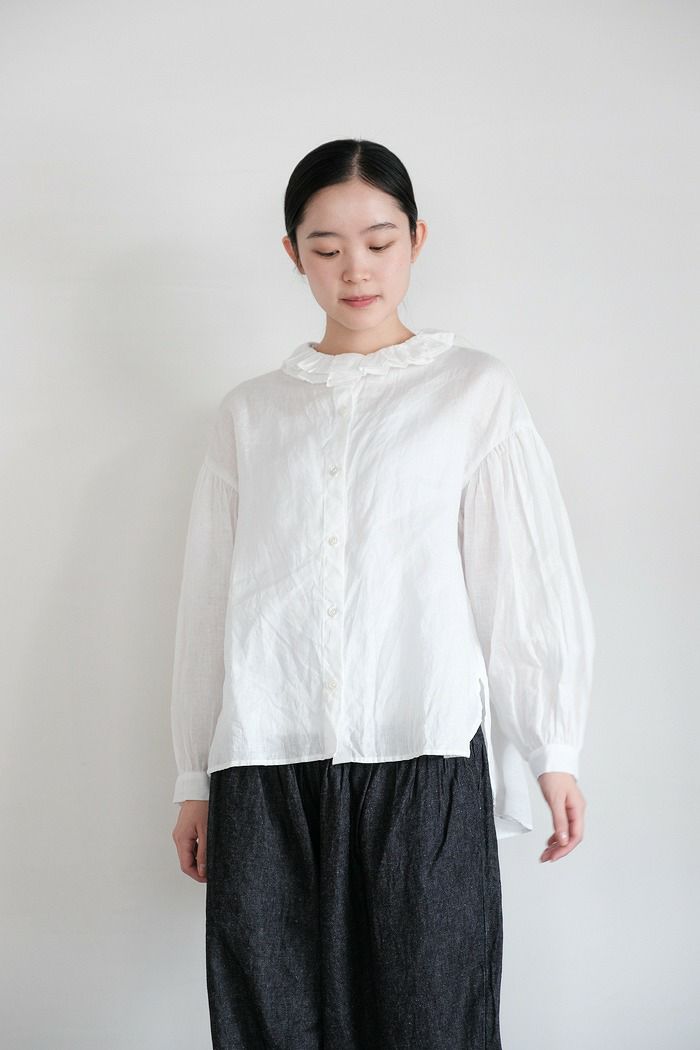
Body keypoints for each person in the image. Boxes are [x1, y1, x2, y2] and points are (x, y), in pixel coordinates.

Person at [170, 138, 595, 1050]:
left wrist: (551, 745)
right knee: (271, 1024)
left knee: (432, 1020)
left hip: (423, 752)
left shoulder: (473, 391)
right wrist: (192, 776)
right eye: (325, 248)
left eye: (378, 241)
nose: (354, 269)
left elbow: (519, 578)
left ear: (417, 239)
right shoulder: (250, 414)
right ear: (293, 254)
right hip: (266, 762)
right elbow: (211, 603)